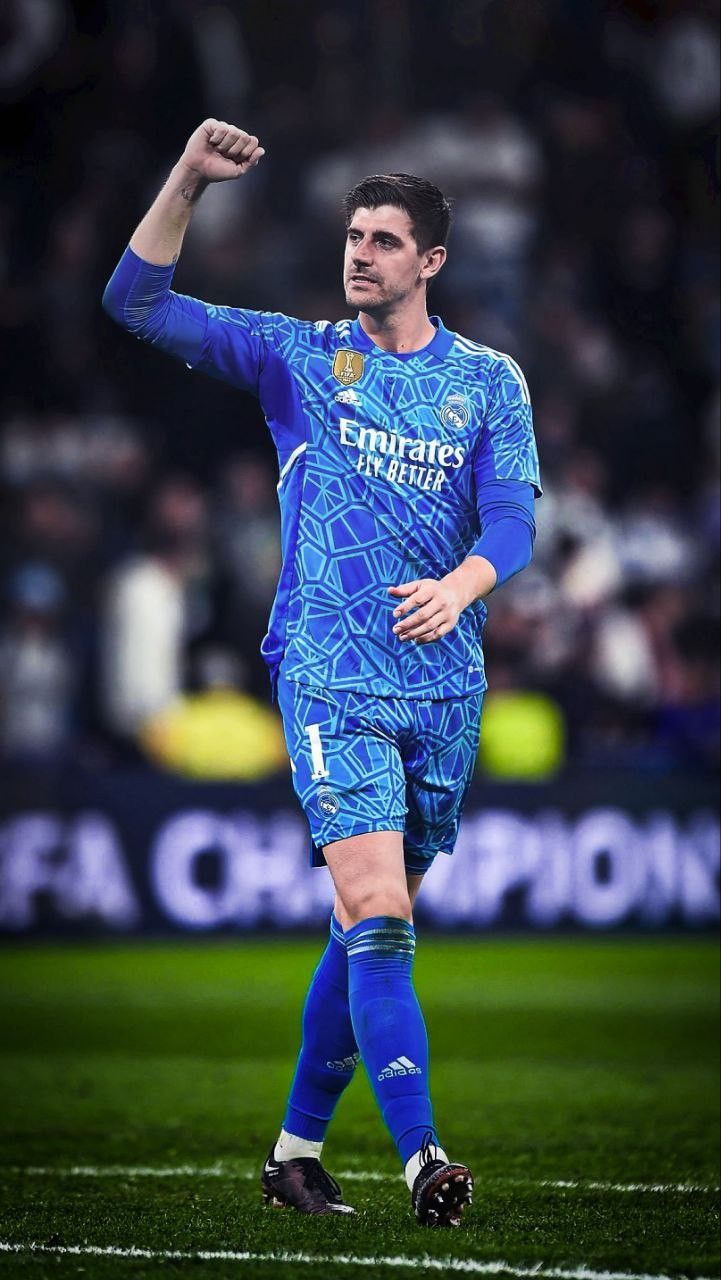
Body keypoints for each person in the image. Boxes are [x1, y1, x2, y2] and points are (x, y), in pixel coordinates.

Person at [103, 119, 541, 1228]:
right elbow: (137, 303)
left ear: (431, 260)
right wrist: (188, 179)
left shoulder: (487, 382)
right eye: (353, 236)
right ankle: (421, 1155)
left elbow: (512, 520)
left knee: (365, 930)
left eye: (385, 241)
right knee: (380, 909)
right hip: (331, 675)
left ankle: (295, 1153)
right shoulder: (304, 356)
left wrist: (466, 581)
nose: (361, 255)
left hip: (441, 688)